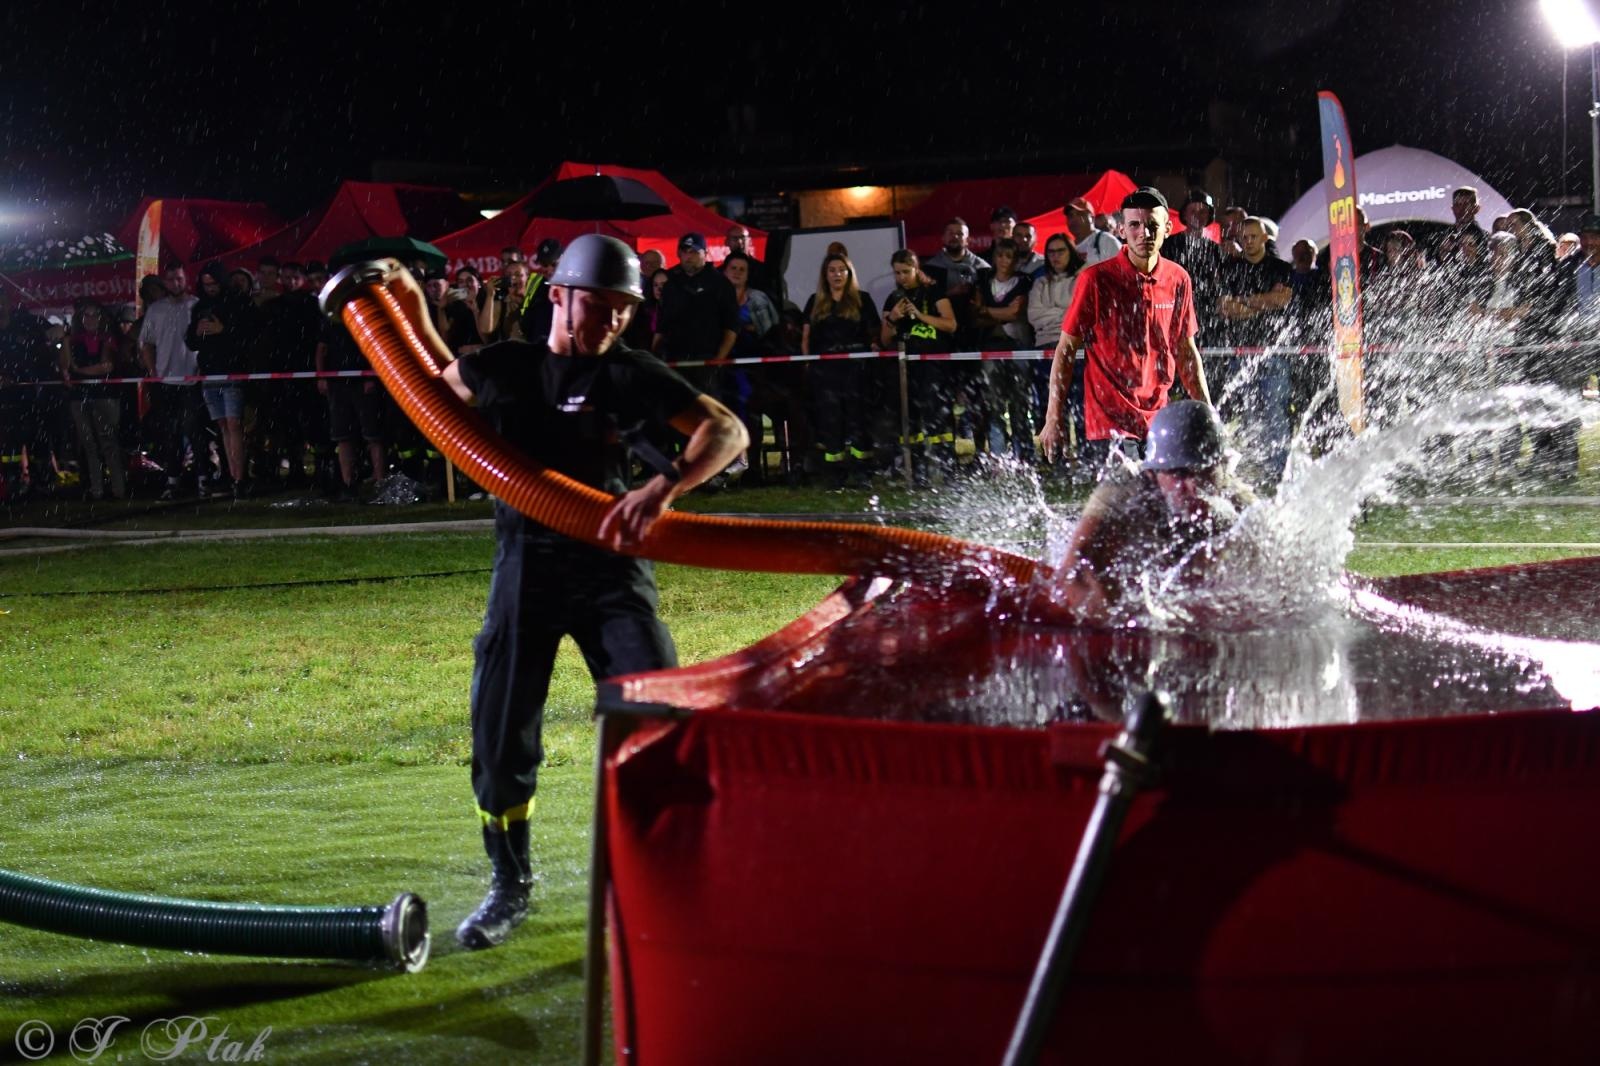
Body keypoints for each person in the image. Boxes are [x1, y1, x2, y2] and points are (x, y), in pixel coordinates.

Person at [426, 234, 746, 948]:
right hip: (526, 563)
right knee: (499, 729)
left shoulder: (630, 373)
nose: (611, 323)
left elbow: (728, 431)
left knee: (658, 706)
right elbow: (430, 395)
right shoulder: (502, 367)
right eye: (598, 307)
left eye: (624, 311)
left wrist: (666, 486)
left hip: (609, 567)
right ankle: (510, 885)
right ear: (559, 294)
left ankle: (666, 877)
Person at [1040, 187, 1213, 474]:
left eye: (1153, 225)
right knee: (1123, 508)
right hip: (1109, 423)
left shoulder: (1178, 278)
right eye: (1135, 225)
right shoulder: (1096, 280)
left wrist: (1207, 412)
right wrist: (1053, 418)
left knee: (1162, 507)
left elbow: (1186, 350)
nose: (1144, 233)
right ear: (1121, 229)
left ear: (1168, 229)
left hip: (1159, 419)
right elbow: (1066, 349)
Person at [1054, 400, 1255, 620]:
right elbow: (1074, 572)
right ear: (1153, 474)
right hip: (1133, 570)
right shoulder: (1124, 488)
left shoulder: (1235, 499)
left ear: (1221, 467)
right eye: (1179, 474)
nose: (1194, 487)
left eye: (1203, 471)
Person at [802, 251, 881, 486]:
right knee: (830, 420)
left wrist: (875, 346)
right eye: (832, 270)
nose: (837, 274)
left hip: (856, 369)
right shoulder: (815, 302)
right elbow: (806, 337)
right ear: (825, 275)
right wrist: (806, 362)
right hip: (825, 371)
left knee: (857, 419)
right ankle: (835, 471)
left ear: (849, 273)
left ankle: (861, 471)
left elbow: (874, 332)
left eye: (841, 270)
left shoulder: (862, 299)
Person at [881, 248, 959, 486]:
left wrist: (919, 315)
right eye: (897, 273)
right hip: (907, 368)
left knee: (939, 418)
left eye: (906, 271)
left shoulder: (933, 291)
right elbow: (885, 340)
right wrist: (893, 318)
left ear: (916, 269)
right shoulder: (894, 298)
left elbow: (950, 324)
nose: (902, 277)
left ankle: (948, 470)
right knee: (912, 419)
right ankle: (918, 473)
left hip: (935, 364)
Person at [187, 261, 258, 498]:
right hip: (209, 373)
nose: (210, 288)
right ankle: (233, 474)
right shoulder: (199, 307)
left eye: (213, 283)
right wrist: (197, 333)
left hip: (232, 371)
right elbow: (190, 341)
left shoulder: (238, 303)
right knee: (223, 426)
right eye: (205, 284)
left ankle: (240, 477)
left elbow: (250, 336)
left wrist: (224, 331)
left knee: (234, 424)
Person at [139, 262, 205, 500]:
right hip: (165, 381)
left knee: (195, 431)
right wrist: (153, 371)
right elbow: (146, 343)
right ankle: (173, 479)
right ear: (164, 282)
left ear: (185, 279)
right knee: (170, 433)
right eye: (170, 279)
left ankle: (202, 477)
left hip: (192, 378)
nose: (176, 283)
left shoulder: (196, 305)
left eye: (179, 278)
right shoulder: (156, 310)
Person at [1027, 234, 1088, 470]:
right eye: (1050, 252)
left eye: (1060, 251)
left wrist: (1056, 317)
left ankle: (1085, 459)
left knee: (1080, 407)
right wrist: (1065, 316)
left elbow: (1081, 314)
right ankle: (1054, 460)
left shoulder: (1082, 279)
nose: (1055, 256)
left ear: (1070, 251)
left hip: (1076, 350)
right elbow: (1034, 316)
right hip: (1046, 351)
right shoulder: (1040, 283)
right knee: (1050, 407)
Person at [61, 300, 127, 501]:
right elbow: (64, 366)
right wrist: (65, 340)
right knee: (88, 444)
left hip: (103, 395)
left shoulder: (107, 338)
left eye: (94, 315)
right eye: (86, 315)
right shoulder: (73, 340)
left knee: (108, 442)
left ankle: (118, 489)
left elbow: (106, 366)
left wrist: (79, 372)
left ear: (101, 318)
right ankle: (97, 490)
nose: (90, 320)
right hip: (80, 396)